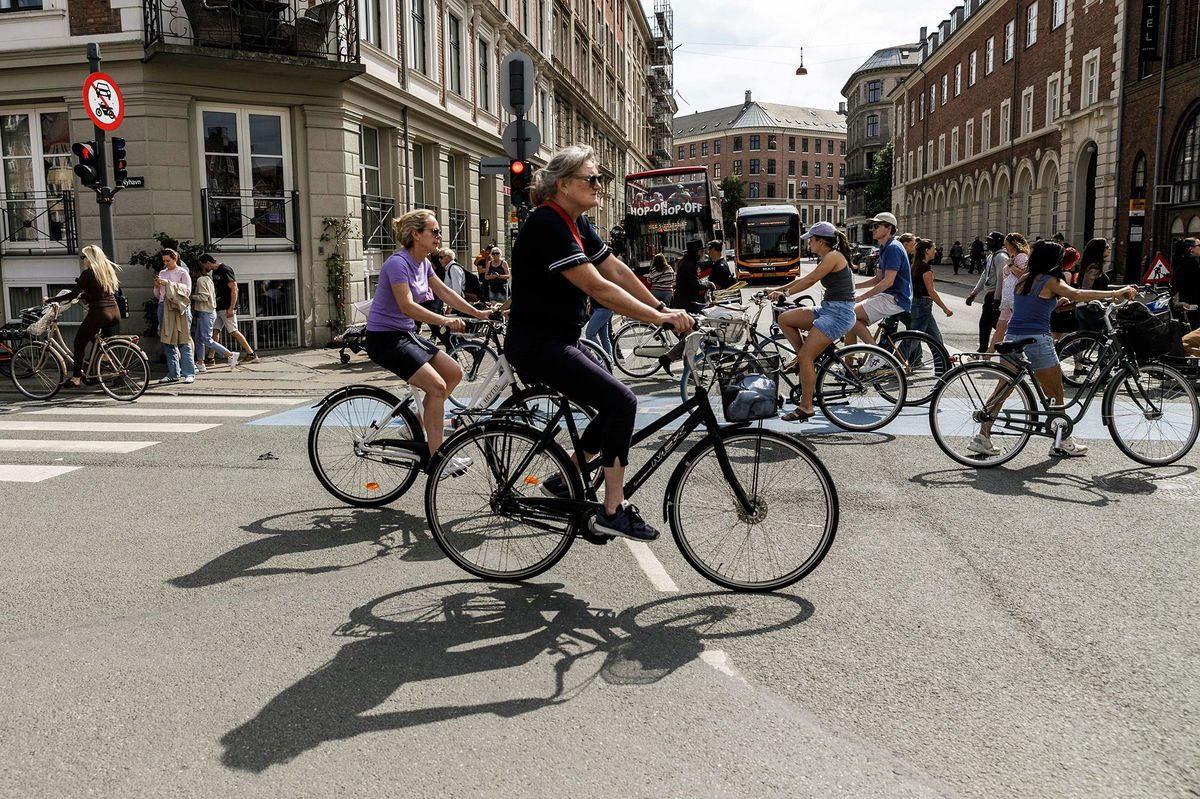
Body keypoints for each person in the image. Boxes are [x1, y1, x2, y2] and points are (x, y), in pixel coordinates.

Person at [503, 144, 693, 542]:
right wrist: (658, 318)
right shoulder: (547, 223)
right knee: (622, 401)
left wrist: (661, 305)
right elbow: (596, 287)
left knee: (611, 407)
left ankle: (568, 475)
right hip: (538, 344)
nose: (599, 186)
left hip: (559, 339)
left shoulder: (575, 222)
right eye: (591, 179)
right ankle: (612, 508)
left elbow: (616, 270)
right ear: (564, 185)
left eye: (600, 179)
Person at [970, 241, 1136, 458]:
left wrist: (1057, 304)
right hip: (1037, 340)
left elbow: (1032, 306)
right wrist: (1118, 293)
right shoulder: (1050, 280)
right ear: (1054, 260)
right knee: (1056, 393)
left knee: (1003, 389)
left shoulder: (1024, 279)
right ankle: (1062, 441)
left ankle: (982, 437)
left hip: (1013, 337)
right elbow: (1077, 294)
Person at [365, 209, 491, 469]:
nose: (439, 235)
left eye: (439, 231)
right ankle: (438, 458)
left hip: (405, 334)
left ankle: (415, 421)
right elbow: (407, 306)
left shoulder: (424, 263)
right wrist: (445, 321)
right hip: (384, 339)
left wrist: (479, 313)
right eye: (434, 231)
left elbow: (444, 292)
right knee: (436, 387)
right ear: (416, 235)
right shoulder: (397, 263)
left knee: (453, 373)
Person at [766, 222, 857, 423]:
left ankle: (806, 407)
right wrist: (776, 288)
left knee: (807, 356)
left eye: (811, 240)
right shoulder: (828, 256)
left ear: (820, 241)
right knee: (785, 318)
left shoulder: (833, 256)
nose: (808, 244)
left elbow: (810, 282)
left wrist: (784, 294)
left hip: (839, 314)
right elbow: (804, 278)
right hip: (828, 309)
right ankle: (803, 360)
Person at [43, 245, 122, 388]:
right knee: (92, 337)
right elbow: (101, 292)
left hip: (99, 313)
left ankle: (76, 378)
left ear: (90, 258)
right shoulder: (107, 271)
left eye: (83, 257)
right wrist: (83, 296)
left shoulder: (87, 274)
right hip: (114, 313)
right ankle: (101, 359)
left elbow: (72, 294)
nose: (82, 260)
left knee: (79, 343)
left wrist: (50, 299)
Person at [845, 211, 912, 356]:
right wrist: (852, 287)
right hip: (888, 296)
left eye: (876, 226)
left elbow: (888, 282)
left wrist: (861, 298)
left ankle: (878, 355)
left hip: (894, 298)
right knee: (850, 323)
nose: (872, 229)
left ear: (889, 228)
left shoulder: (893, 248)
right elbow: (877, 279)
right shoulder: (884, 247)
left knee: (848, 314)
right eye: (872, 226)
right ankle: (849, 366)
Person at [198, 254, 259, 364]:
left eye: (202, 265)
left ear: (207, 262)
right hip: (218, 307)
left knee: (233, 331)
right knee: (215, 331)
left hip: (227, 307)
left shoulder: (225, 269)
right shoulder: (215, 272)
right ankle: (210, 358)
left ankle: (251, 354)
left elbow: (234, 289)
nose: (203, 268)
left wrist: (231, 307)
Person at [154, 248, 195, 384]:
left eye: (168, 260)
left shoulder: (182, 272)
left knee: (184, 340)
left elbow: (187, 291)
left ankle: (189, 372)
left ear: (175, 258)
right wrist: (157, 286)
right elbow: (158, 295)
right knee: (167, 340)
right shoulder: (162, 272)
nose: (166, 263)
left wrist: (168, 284)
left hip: (179, 307)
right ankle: (173, 373)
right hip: (164, 305)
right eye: (164, 261)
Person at [191, 258, 237, 373]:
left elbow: (203, 297)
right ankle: (200, 363)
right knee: (198, 338)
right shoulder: (208, 278)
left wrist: (191, 297)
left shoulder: (201, 280)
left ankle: (230, 354)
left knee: (206, 339)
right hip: (207, 312)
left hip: (206, 312)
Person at [987, 232, 1031, 352]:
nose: (1005, 246)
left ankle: (993, 354)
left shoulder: (1021, 257)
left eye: (1007, 244)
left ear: (1014, 244)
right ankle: (988, 354)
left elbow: (1023, 276)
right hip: (1009, 299)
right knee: (1000, 327)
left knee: (1009, 328)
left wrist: (1011, 266)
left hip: (1016, 298)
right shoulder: (1013, 257)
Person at [966, 232, 1008, 352]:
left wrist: (997, 298)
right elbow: (984, 276)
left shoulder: (1001, 257)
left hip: (994, 295)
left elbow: (1002, 279)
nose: (987, 243)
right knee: (987, 323)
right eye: (988, 240)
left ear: (999, 242)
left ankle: (988, 348)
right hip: (990, 295)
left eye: (991, 240)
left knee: (991, 323)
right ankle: (984, 348)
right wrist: (973, 293)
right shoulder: (991, 256)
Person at [909, 238, 954, 346]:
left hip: (917, 304)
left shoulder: (915, 266)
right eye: (934, 248)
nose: (936, 251)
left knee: (936, 339)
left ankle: (942, 362)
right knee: (913, 340)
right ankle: (895, 361)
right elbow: (931, 292)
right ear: (927, 251)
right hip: (922, 305)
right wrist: (945, 308)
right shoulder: (925, 269)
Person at [1074, 238, 1111, 333]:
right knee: (1102, 340)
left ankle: (1063, 348)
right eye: (1106, 246)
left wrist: (1125, 288)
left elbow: (1100, 287)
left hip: (1086, 309)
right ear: (1099, 249)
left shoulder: (1093, 265)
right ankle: (1063, 348)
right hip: (1092, 310)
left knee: (1087, 343)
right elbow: (1086, 289)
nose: (1109, 248)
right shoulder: (1094, 268)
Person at [1050, 246, 1081, 341]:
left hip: (1056, 309)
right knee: (1074, 336)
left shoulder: (1054, 272)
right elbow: (1066, 291)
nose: (1075, 263)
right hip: (1062, 308)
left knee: (1055, 337)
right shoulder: (1066, 274)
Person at [670, 238, 708, 310]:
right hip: (686, 303)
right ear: (697, 252)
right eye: (702, 251)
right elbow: (695, 285)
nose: (703, 253)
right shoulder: (689, 265)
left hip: (684, 302)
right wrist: (708, 285)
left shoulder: (686, 262)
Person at [1170, 237, 1200, 328]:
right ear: (1191, 249)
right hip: (1191, 308)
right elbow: (1177, 286)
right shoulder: (1188, 265)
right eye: (1199, 245)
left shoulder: (1188, 263)